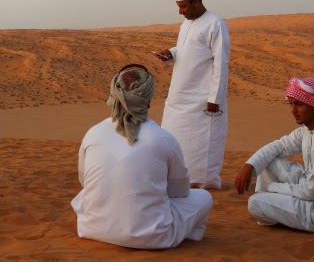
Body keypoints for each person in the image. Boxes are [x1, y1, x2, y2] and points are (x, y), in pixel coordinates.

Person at [71, 64, 213, 249]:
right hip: (152, 237)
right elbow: (180, 191)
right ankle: (185, 237)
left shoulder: (93, 133)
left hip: (91, 229)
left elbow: (84, 181)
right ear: (148, 100)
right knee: (203, 197)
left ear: (114, 95)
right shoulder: (164, 139)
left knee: (86, 194)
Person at [234, 77, 314, 234]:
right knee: (266, 162)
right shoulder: (309, 130)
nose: (293, 110)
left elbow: (311, 192)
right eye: (291, 104)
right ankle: (277, 207)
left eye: (299, 104)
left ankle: (273, 207)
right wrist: (249, 166)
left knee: (255, 203)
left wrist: (271, 188)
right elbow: (279, 146)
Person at [154, 0, 230, 189]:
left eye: (183, 7)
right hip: (180, 93)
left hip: (203, 96)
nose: (181, 12)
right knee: (173, 135)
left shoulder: (215, 24)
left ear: (196, 2)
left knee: (202, 141)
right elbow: (187, 49)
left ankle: (204, 181)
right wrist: (171, 53)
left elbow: (221, 62)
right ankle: (175, 175)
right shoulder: (185, 25)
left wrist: (215, 97)